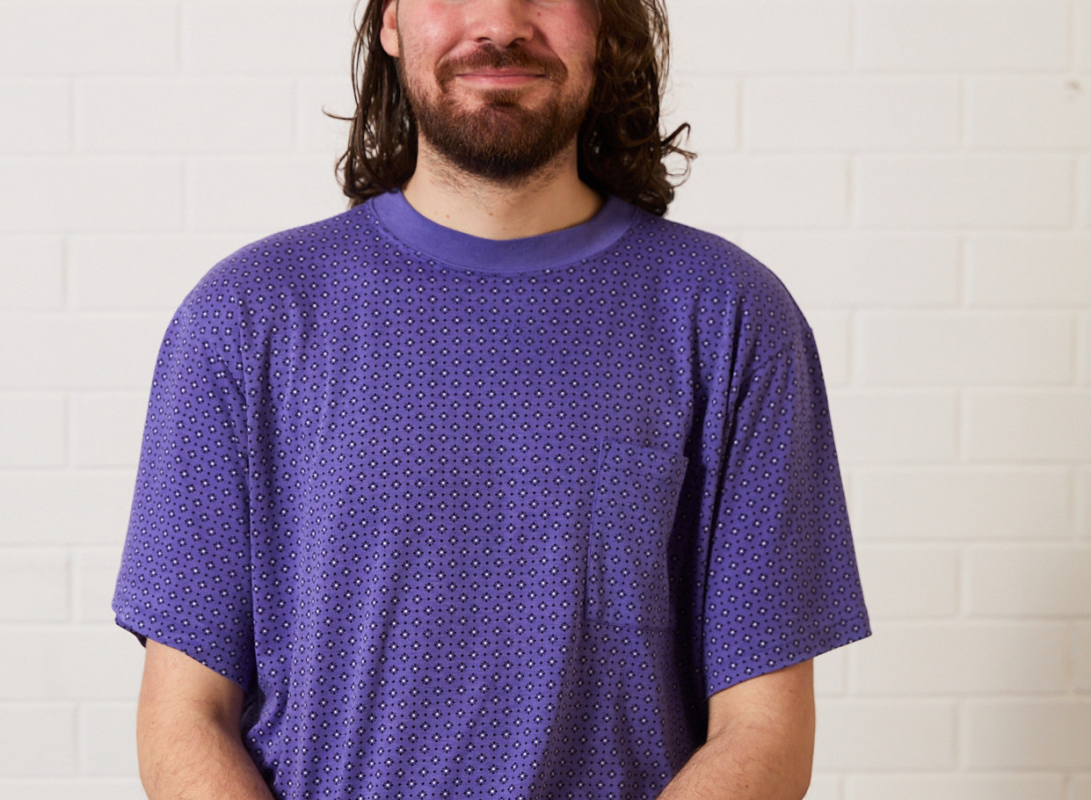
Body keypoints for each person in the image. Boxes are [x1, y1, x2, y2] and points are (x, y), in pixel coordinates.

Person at [112, 0, 871, 798]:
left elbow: (765, 732)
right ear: (392, 21)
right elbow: (186, 716)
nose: (500, 21)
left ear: (606, 21)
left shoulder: (730, 319)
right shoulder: (247, 318)